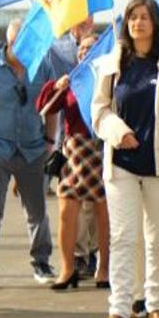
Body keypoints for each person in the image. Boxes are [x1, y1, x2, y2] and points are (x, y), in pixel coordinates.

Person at [91, 0, 159, 318]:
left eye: (144, 17)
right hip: (121, 163)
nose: (137, 22)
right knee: (123, 237)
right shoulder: (112, 62)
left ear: (155, 23)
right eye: (132, 17)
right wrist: (118, 132)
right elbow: (100, 110)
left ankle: (156, 306)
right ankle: (119, 309)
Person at [0, 18, 55, 290]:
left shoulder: (41, 64)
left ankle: (41, 262)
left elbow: (52, 103)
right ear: (8, 41)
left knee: (37, 210)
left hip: (33, 148)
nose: (24, 47)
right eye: (18, 42)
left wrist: (50, 140)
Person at [39, 20, 111, 290]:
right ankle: (68, 269)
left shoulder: (110, 79)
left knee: (105, 213)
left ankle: (104, 269)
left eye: (91, 48)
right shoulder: (72, 81)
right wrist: (58, 86)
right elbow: (44, 108)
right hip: (74, 152)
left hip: (101, 149)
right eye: (81, 49)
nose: (84, 53)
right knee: (67, 211)